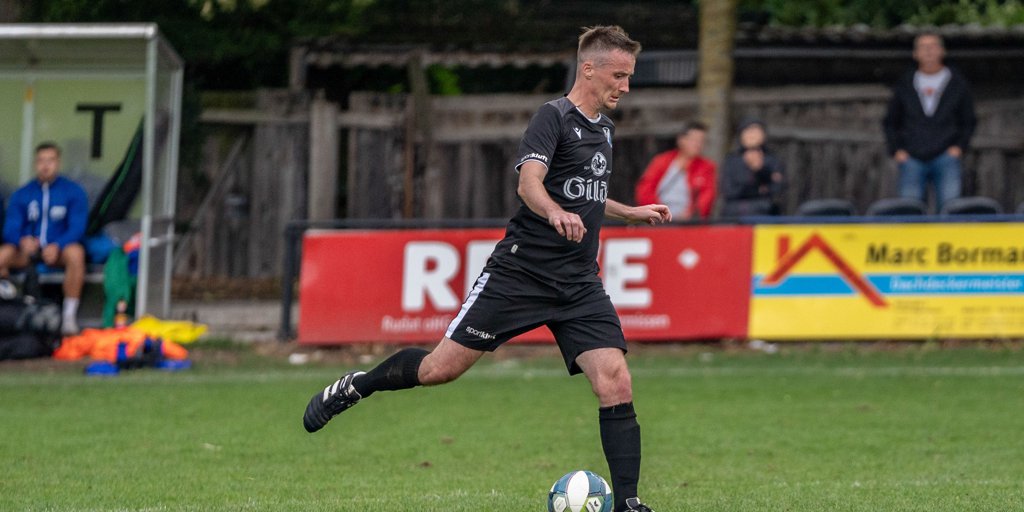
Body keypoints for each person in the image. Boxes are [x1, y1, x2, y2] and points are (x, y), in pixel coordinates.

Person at [302, 26, 666, 512]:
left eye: (629, 76)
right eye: (619, 76)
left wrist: (630, 212)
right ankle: (357, 385)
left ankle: (629, 503)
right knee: (438, 370)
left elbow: (586, 194)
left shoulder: (603, 129)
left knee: (615, 379)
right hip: (521, 274)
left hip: (579, 282)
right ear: (588, 69)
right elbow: (530, 184)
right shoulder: (552, 117)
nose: (626, 86)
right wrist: (553, 212)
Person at [0, 142, 89, 335]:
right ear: (35, 164)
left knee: (76, 253)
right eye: (41, 161)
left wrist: (58, 245)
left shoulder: (73, 191)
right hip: (27, 252)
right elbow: (10, 229)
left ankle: (68, 317)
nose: (45, 165)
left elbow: (78, 227)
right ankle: (7, 309)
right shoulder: (22, 194)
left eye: (50, 160)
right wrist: (22, 240)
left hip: (58, 252)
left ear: (58, 163)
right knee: (3, 254)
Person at [883, 32, 976, 213]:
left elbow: (968, 120)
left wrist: (959, 147)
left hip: (946, 156)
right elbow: (891, 121)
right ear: (915, 53)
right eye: (923, 47)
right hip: (912, 157)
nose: (928, 51)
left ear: (942, 51)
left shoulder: (957, 83)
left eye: (932, 46)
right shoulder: (905, 83)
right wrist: (897, 150)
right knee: (909, 211)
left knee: (950, 209)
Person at [634, 121, 717, 220]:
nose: (698, 144)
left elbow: (706, 197)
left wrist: (690, 215)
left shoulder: (706, 167)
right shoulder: (661, 161)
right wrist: (658, 212)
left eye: (702, 141)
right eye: (694, 140)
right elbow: (645, 189)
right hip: (658, 217)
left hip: (687, 220)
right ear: (681, 140)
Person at [721, 119, 785, 217]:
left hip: (764, 211)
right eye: (748, 131)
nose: (752, 135)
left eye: (755, 131)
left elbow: (776, 188)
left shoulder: (773, 160)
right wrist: (758, 190)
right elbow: (728, 190)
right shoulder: (732, 160)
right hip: (734, 212)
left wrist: (759, 169)